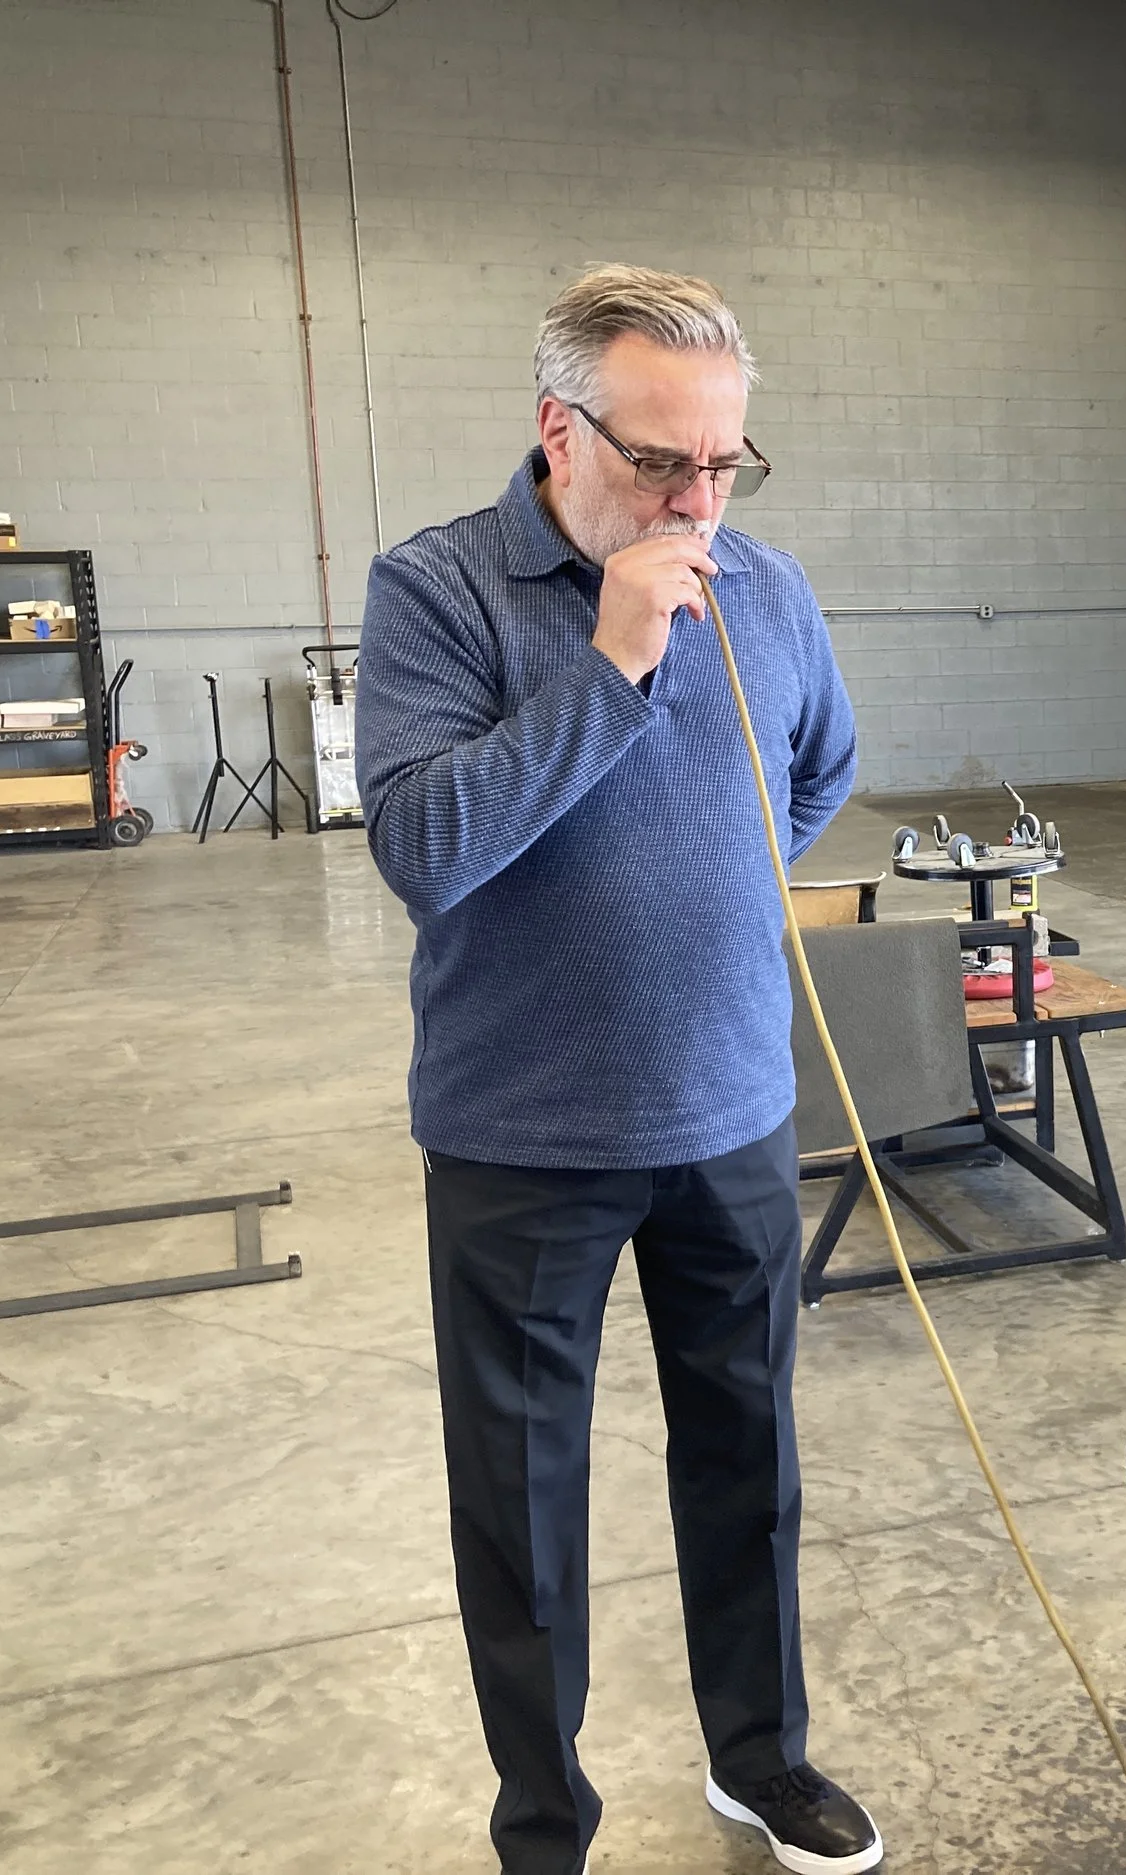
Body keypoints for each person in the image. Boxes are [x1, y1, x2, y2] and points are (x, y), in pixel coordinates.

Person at [355, 264, 877, 1875]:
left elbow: (815, 777)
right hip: (526, 1133)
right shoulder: (436, 589)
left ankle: (761, 1754)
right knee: (521, 1507)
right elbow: (428, 846)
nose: (697, 499)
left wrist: (695, 910)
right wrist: (613, 659)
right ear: (556, 429)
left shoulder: (771, 590)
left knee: (751, 1457)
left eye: (726, 463)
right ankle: (544, 1820)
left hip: (730, 1109)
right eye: (662, 462)